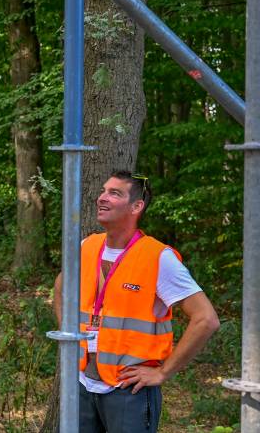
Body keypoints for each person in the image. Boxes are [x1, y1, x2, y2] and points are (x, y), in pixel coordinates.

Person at [52, 171, 219, 433]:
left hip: (129, 391)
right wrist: (69, 339)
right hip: (82, 384)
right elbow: (60, 288)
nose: (102, 198)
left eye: (114, 193)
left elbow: (206, 319)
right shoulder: (87, 246)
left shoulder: (157, 258)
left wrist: (163, 373)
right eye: (104, 191)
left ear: (136, 206)